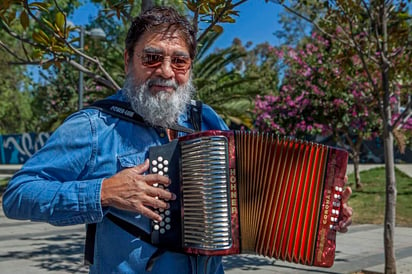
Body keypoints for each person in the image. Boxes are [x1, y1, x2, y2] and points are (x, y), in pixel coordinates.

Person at [2, 6, 353, 274]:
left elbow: (251, 196)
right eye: (152, 57)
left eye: (179, 61)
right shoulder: (95, 126)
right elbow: (19, 194)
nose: (166, 71)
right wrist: (104, 192)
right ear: (128, 60)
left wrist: (321, 213)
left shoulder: (206, 120)